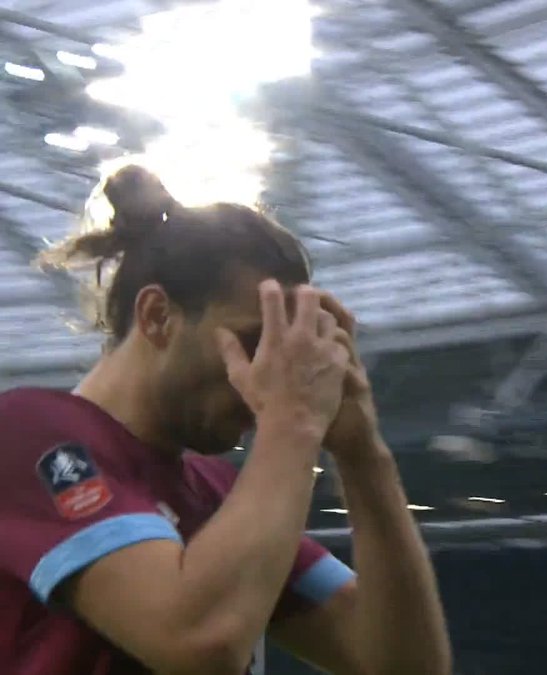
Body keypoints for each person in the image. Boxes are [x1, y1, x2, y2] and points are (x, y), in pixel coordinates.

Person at [0, 165, 451, 675]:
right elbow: (197, 643)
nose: (272, 371)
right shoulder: (28, 432)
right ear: (157, 317)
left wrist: (364, 455)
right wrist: (294, 420)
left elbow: (403, 665)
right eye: (255, 341)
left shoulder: (217, 492)